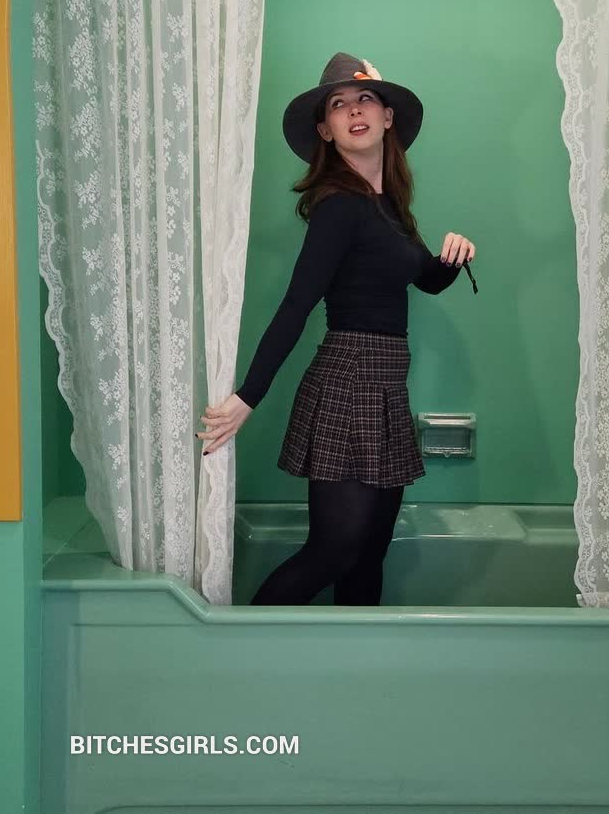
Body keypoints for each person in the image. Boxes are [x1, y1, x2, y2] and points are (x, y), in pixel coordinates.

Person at [195, 52, 476, 606]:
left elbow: (425, 280)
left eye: (365, 98)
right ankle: (240, 646)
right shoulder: (339, 206)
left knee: (369, 553)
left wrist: (452, 256)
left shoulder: (388, 207)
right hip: (348, 383)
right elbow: (297, 303)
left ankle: (356, 656)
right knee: (334, 551)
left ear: (387, 117)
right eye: (338, 104)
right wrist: (247, 398)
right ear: (326, 130)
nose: (354, 110)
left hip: (385, 387)